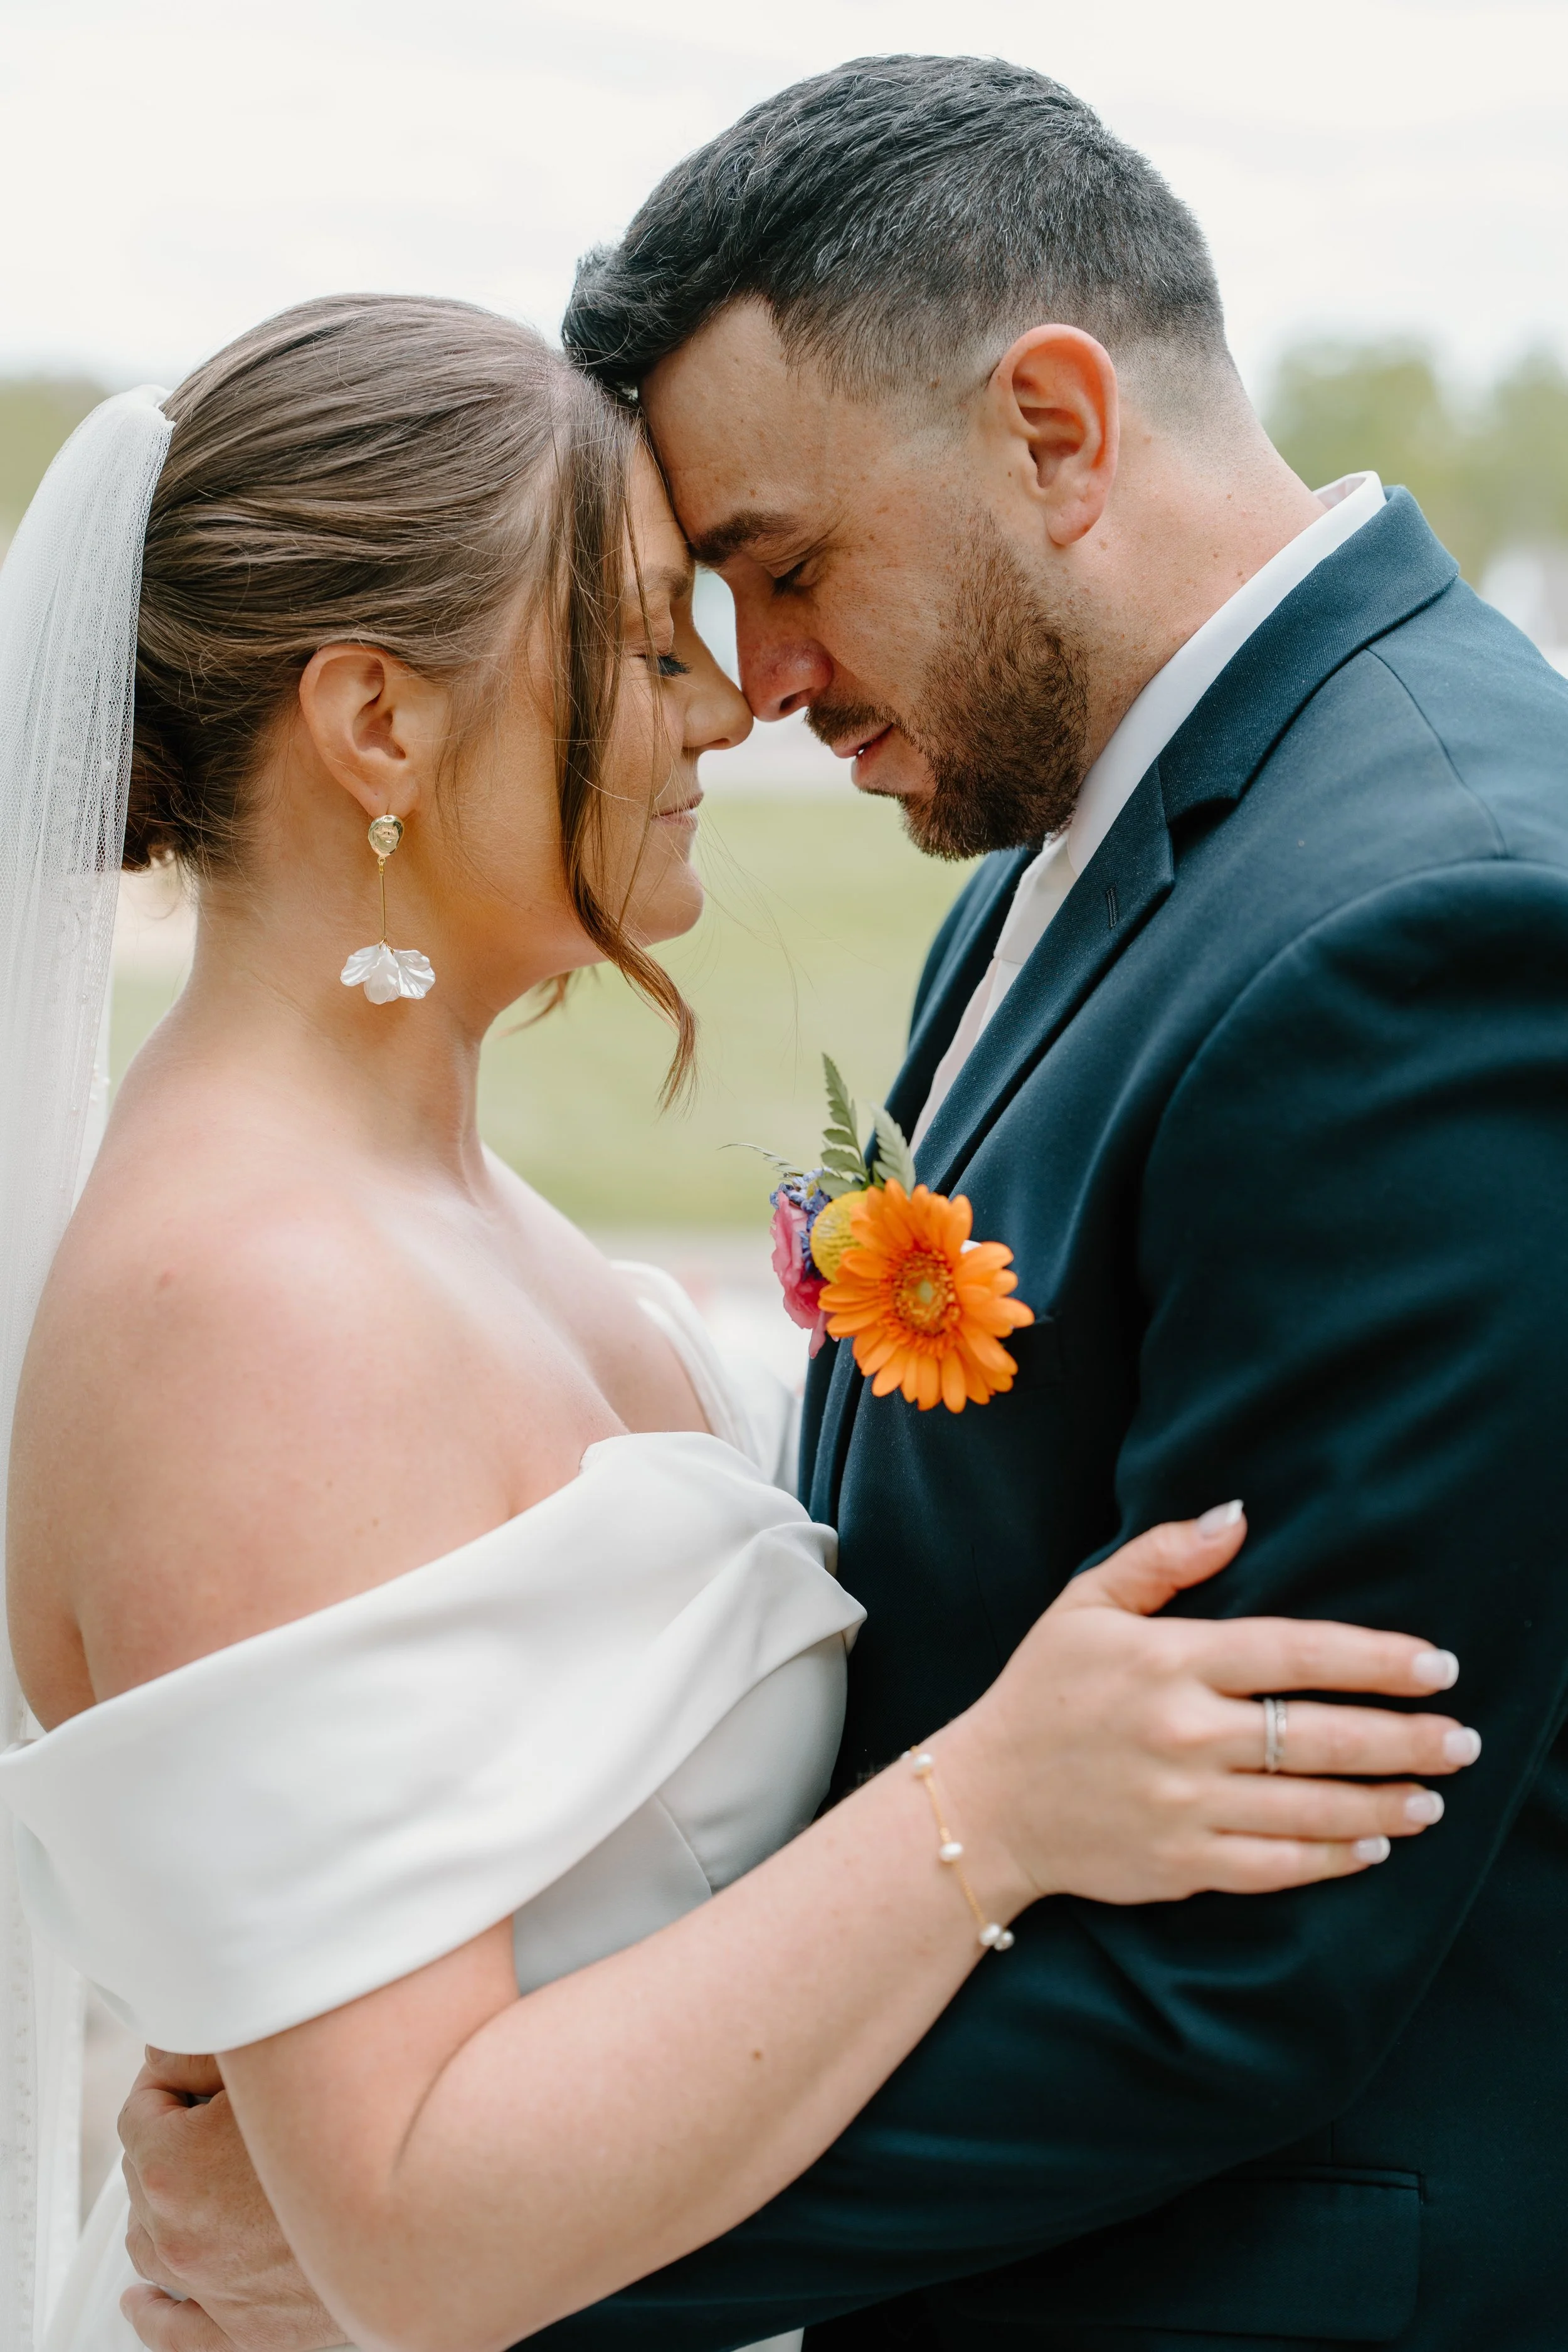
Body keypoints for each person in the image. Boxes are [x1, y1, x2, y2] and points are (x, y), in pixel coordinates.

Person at [117, 51, 1568, 2352]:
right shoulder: (1051, 860)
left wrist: (443, 2261)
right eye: (689, 609)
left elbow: (1252, 1957)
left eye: (782, 570)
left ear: (1054, 431)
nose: (751, 688)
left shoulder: (1432, 921)